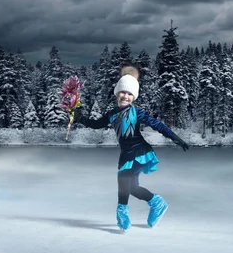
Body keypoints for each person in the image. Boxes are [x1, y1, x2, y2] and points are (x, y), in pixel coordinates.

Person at [71, 66, 189, 231]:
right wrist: (80, 118)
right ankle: (157, 203)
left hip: (140, 151)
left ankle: (122, 212)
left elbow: (157, 125)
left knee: (123, 178)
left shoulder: (136, 113)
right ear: (117, 93)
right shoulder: (112, 114)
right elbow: (96, 124)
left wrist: (176, 138)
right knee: (132, 188)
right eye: (123, 92)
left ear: (133, 97)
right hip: (126, 154)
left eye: (129, 93)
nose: (125, 96)